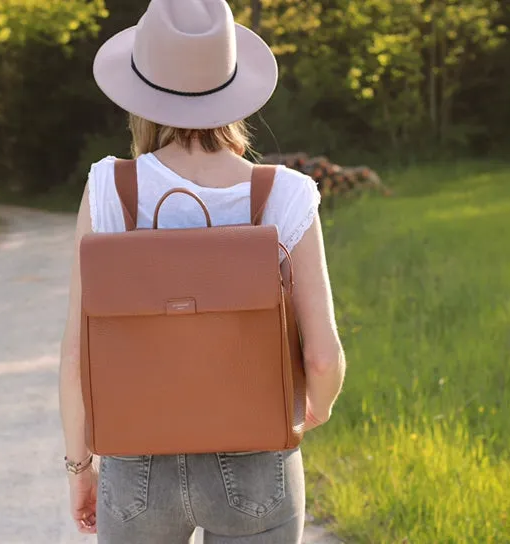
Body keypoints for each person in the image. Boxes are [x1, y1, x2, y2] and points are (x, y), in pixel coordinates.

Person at [58, 0, 346, 542]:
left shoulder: (109, 189)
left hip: (136, 463)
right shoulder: (285, 194)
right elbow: (323, 356)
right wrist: (314, 410)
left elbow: (78, 353)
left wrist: (80, 467)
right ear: (232, 86)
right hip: (257, 460)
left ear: (140, 95)